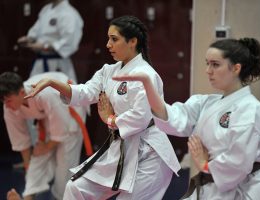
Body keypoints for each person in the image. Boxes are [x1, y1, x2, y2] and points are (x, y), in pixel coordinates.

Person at [24, 15, 180, 200]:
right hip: (120, 150)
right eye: (108, 39)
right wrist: (53, 82)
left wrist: (109, 118)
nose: (108, 44)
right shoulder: (109, 71)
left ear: (132, 41)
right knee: (75, 188)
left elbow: (140, 118)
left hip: (150, 156)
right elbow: (85, 92)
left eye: (114, 39)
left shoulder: (146, 75)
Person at [112, 38, 260, 200]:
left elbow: (239, 162)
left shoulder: (251, 111)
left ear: (236, 68)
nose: (208, 70)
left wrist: (205, 164)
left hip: (242, 189)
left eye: (215, 64)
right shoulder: (206, 103)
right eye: (207, 63)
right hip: (213, 185)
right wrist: (147, 83)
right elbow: (171, 115)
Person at [0, 71, 88, 200]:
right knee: (37, 157)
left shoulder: (45, 94)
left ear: (21, 93)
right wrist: (28, 167)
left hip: (70, 108)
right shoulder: (8, 107)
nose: (6, 105)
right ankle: (28, 196)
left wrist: (46, 147)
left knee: (64, 165)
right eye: (3, 101)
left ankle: (61, 197)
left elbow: (61, 131)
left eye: (9, 100)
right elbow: (22, 141)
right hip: (48, 114)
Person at [17, 0, 83, 82]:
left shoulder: (70, 13)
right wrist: (28, 38)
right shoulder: (46, 9)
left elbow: (70, 42)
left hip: (58, 64)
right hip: (40, 62)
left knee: (59, 92)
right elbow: (36, 30)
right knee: (34, 90)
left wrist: (45, 46)